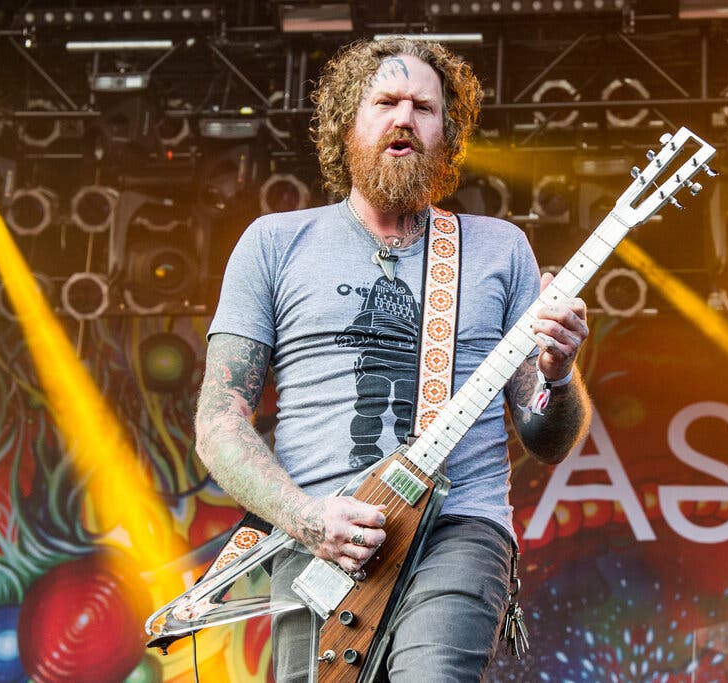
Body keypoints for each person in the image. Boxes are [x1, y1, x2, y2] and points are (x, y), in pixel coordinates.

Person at [195, 37, 591, 681]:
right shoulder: (273, 244)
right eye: (385, 102)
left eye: (424, 107)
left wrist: (560, 373)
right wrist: (305, 518)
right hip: (319, 540)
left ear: (447, 133)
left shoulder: (499, 250)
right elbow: (218, 421)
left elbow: (547, 437)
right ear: (348, 121)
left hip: (457, 528)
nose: (404, 117)